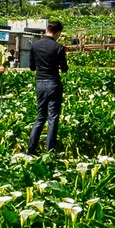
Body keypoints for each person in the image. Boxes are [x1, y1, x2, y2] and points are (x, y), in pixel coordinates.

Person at [26, 18, 68, 154]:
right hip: (53, 83)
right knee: (53, 118)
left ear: (46, 30)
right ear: (57, 33)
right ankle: (49, 151)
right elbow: (65, 68)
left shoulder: (35, 46)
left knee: (40, 117)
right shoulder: (58, 47)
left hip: (40, 83)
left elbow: (32, 67)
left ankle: (31, 150)